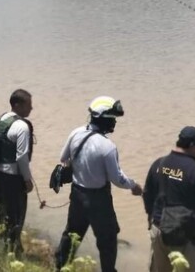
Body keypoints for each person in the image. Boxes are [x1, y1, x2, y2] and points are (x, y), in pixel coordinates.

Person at [55, 96, 143, 272]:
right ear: (103, 119)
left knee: (73, 233)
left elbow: (64, 158)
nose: (114, 123)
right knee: (108, 239)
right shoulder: (107, 146)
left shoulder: (76, 133)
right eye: (112, 119)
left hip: (78, 194)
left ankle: (60, 266)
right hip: (99, 200)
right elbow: (117, 178)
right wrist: (134, 185)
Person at [143, 126, 195, 272]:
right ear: (192, 146)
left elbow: (147, 193)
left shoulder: (158, 164)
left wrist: (151, 219)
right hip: (187, 236)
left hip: (159, 230)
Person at [0, 89, 34, 256]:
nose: (31, 108)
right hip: (13, 177)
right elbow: (22, 156)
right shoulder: (21, 126)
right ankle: (14, 249)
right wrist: (27, 180)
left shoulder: (2, 119)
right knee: (16, 214)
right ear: (18, 105)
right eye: (29, 105)